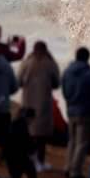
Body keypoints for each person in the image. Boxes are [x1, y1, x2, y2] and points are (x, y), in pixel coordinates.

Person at [18, 41, 60, 171]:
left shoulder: (26, 62)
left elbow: (18, 81)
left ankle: (27, 160)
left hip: (27, 102)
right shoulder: (50, 63)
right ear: (46, 50)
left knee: (28, 132)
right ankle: (39, 163)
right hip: (43, 104)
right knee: (41, 136)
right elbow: (57, 83)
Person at [62, 47, 90, 178]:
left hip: (71, 110)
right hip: (85, 113)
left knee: (71, 141)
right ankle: (75, 172)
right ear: (87, 58)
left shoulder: (67, 71)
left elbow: (64, 90)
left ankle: (67, 168)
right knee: (82, 143)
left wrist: (69, 102)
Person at [7, 108, 39, 178]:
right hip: (19, 158)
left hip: (11, 158)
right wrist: (34, 145)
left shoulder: (14, 123)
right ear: (29, 117)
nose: (32, 122)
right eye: (32, 119)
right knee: (32, 175)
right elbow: (27, 143)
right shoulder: (22, 126)